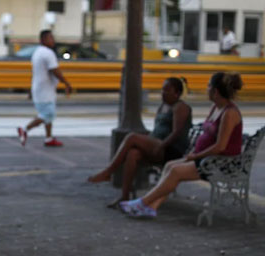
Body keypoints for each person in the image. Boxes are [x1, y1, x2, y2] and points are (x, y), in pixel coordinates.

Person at [120, 72, 243, 218]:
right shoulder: (216, 108)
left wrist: (195, 156)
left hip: (219, 163)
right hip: (204, 158)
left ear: (215, 91)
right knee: (169, 166)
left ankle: (142, 202)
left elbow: (220, 146)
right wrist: (195, 153)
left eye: (208, 86)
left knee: (175, 171)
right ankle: (151, 207)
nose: (206, 89)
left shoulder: (229, 113)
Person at [87, 77, 192, 208]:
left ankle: (109, 172)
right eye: (162, 90)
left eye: (167, 91)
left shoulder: (180, 107)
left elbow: (176, 132)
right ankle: (124, 197)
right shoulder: (163, 106)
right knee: (132, 154)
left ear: (177, 93)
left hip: (170, 149)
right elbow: (157, 129)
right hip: (157, 145)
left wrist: (160, 145)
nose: (163, 93)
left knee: (132, 137)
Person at [17, 30, 72, 147]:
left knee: (47, 115)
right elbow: (55, 70)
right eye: (50, 38)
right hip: (45, 90)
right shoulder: (48, 53)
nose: (53, 40)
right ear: (43, 40)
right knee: (47, 114)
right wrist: (66, 83)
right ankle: (24, 129)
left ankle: (48, 138)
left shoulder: (37, 52)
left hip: (40, 88)